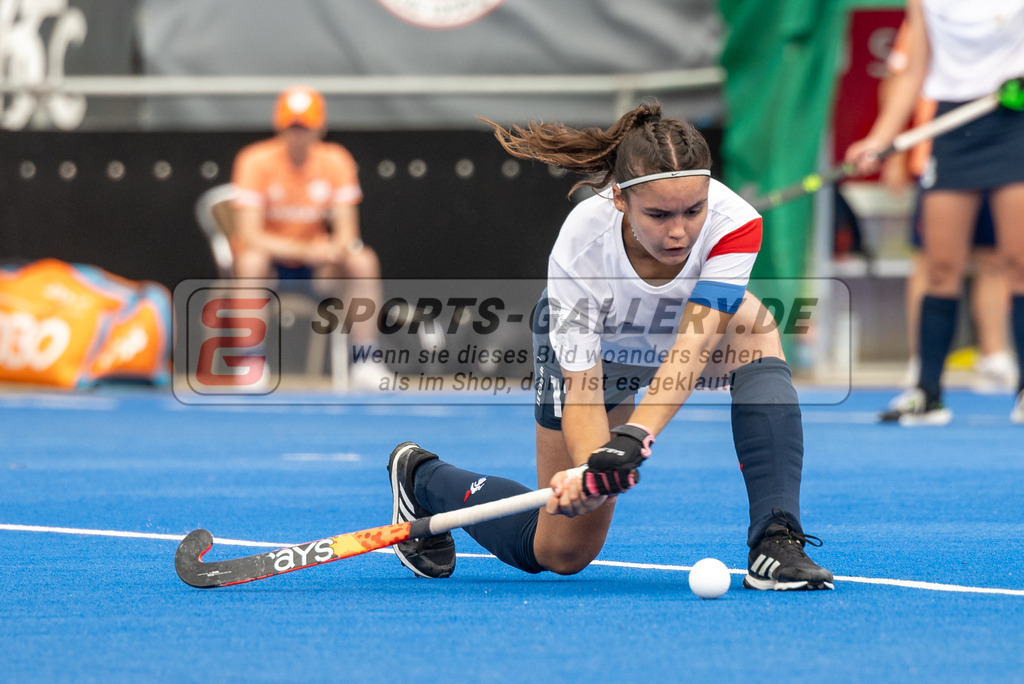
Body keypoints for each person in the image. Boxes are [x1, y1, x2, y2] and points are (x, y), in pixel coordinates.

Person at [387, 102, 834, 591]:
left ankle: (776, 538)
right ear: (620, 199)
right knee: (561, 551)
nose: (679, 231)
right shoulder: (582, 244)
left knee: (755, 327)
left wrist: (633, 437)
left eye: (693, 210)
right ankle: (422, 478)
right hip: (600, 357)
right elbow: (583, 384)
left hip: (682, 332)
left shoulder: (736, 223)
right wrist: (592, 472)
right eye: (659, 214)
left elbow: (695, 343)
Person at [847, 0, 1024, 425]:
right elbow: (913, 72)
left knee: (1019, 264)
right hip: (953, 125)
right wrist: (880, 138)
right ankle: (927, 392)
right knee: (940, 266)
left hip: (1014, 121)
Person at [879, 19, 1016, 395]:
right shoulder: (926, 6)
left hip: (1011, 133)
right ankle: (925, 379)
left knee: (1007, 261)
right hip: (945, 139)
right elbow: (904, 74)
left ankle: (998, 358)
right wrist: (884, 143)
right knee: (935, 264)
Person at [231, 85, 389, 390]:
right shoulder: (254, 160)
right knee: (250, 261)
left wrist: (333, 248)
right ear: (280, 126)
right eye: (292, 127)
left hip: (319, 272)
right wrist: (304, 249)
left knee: (363, 260)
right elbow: (249, 234)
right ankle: (250, 361)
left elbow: (347, 232)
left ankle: (365, 360)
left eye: (305, 127)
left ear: (320, 127)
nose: (298, 135)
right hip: (272, 271)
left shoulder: (336, 160)